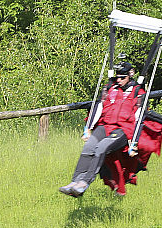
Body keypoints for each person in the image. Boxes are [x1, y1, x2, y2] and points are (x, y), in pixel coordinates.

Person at [59, 60, 145, 197]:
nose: (119, 80)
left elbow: (139, 117)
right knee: (89, 147)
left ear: (130, 75)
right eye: (117, 77)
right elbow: (99, 107)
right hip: (105, 125)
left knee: (101, 147)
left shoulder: (137, 92)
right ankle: (75, 181)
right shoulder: (110, 88)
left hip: (123, 130)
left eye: (122, 77)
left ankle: (85, 183)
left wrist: (134, 142)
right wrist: (88, 128)